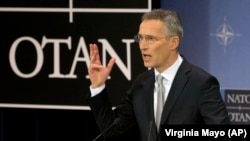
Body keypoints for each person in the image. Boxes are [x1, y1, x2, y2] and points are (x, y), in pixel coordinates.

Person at [86, 9, 230, 141]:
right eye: (140, 38)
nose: (142, 46)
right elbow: (111, 129)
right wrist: (98, 86)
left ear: (173, 42)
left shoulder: (200, 83)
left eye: (150, 39)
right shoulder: (142, 83)